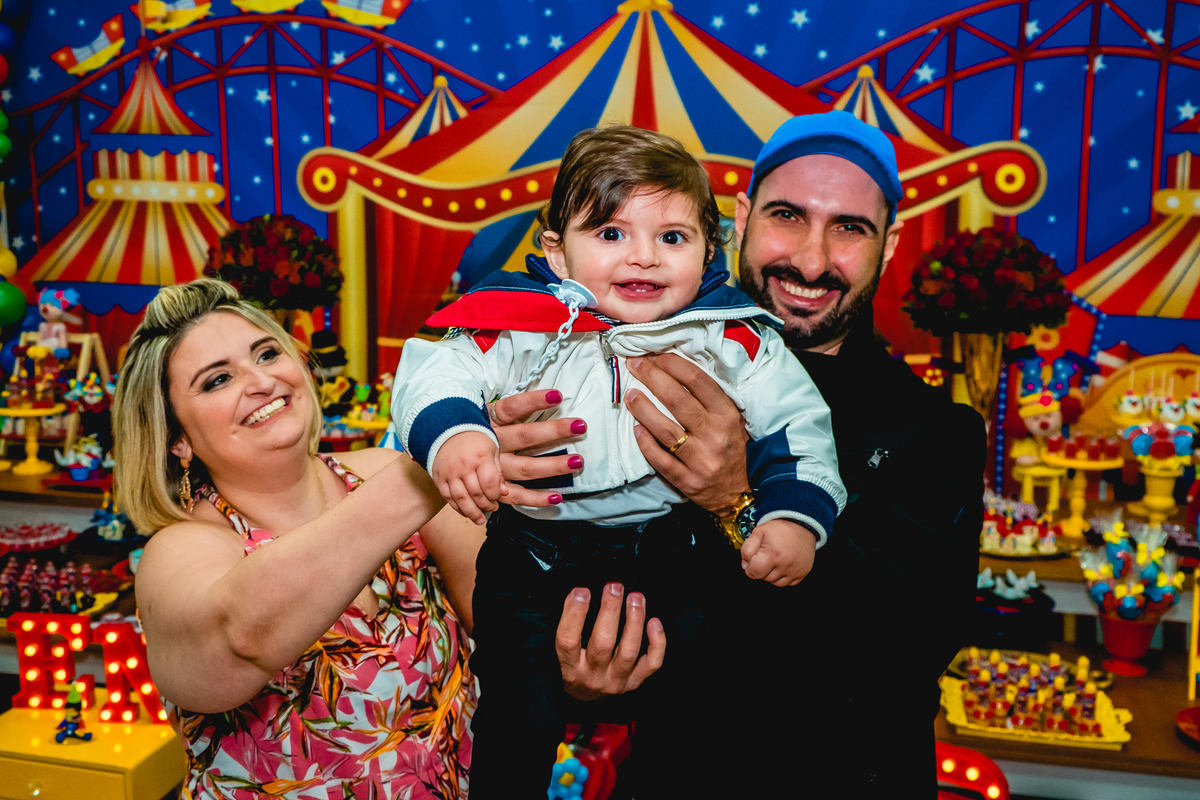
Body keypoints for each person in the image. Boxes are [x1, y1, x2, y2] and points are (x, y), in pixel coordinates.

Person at [390, 126, 845, 795]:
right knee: (515, 716)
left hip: (675, 553)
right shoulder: (521, 324)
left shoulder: (733, 337)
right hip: (533, 556)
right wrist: (458, 434)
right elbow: (435, 371)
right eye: (610, 233)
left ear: (710, 248)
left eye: (672, 237)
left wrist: (792, 518)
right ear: (558, 251)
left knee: (697, 714)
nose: (644, 257)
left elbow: (799, 427)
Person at [114, 279, 661, 800]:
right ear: (177, 439)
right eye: (217, 380)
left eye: (266, 353)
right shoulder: (179, 549)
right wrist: (438, 463)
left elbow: (513, 632)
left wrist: (570, 672)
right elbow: (239, 635)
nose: (260, 381)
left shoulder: (382, 472)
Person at [612, 110, 987, 794]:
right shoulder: (654, 376)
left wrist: (736, 501)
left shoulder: (935, 432)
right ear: (742, 218)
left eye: (850, 228)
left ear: (889, 245)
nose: (811, 262)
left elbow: (906, 650)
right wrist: (583, 673)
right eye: (787, 216)